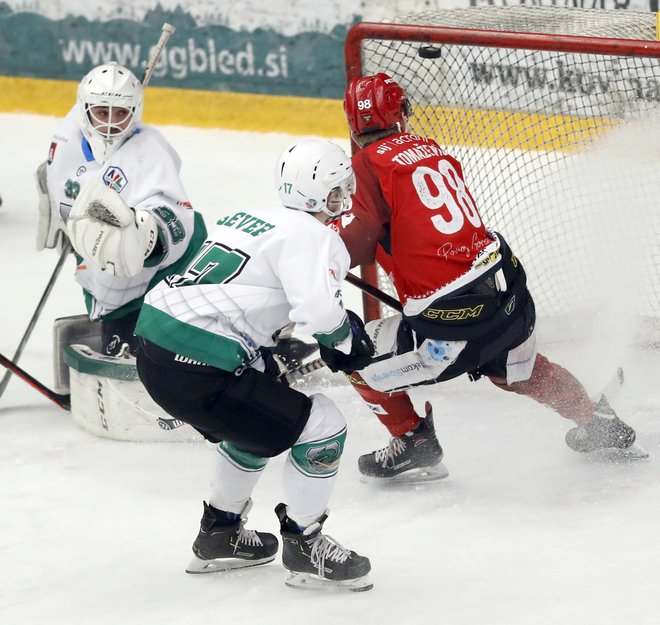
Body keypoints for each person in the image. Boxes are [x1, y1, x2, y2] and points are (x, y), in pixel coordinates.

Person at [331, 72, 643, 482]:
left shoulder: (366, 166)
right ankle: (598, 418)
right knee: (517, 370)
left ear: (354, 124)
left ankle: (414, 440)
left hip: (451, 325)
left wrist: (315, 250)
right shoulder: (430, 150)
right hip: (508, 297)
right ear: (399, 113)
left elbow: (357, 242)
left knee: (353, 354)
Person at [133, 138, 374, 591]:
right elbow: (320, 315)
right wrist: (346, 338)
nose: (345, 195)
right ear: (323, 194)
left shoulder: (245, 216)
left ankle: (220, 533)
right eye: (339, 187)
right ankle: (305, 544)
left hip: (154, 347)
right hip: (200, 368)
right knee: (322, 423)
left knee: (258, 411)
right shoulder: (314, 235)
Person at [36, 62, 207, 356]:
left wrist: (149, 236)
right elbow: (51, 173)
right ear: (84, 109)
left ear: (135, 112)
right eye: (103, 112)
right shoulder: (67, 137)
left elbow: (172, 210)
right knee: (119, 335)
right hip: (103, 272)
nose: (112, 123)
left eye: (122, 113)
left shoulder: (148, 150)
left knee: (159, 353)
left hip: (158, 274)